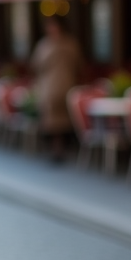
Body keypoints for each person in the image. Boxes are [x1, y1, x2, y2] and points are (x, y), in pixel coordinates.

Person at [31, 15, 84, 161]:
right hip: (52, 88)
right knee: (54, 120)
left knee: (61, 119)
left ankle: (60, 148)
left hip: (62, 86)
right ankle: (57, 148)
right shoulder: (46, 45)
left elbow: (78, 65)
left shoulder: (67, 44)